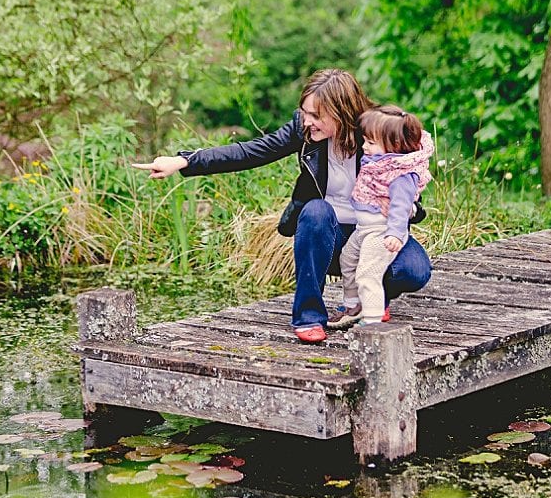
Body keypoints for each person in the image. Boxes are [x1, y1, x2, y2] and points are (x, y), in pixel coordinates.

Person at [132, 68, 432, 344]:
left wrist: (408, 208)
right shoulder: (303, 131)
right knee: (316, 211)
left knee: (414, 270)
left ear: (341, 112)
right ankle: (309, 316)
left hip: (374, 233)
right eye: (304, 113)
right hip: (324, 239)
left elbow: (408, 182)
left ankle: (370, 301)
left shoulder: (376, 133)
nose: (307, 122)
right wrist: (185, 160)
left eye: (315, 115)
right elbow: (250, 152)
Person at [327, 105, 433, 330]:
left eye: (370, 142)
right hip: (364, 230)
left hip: (382, 231)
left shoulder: (400, 173)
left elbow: (401, 207)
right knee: (347, 260)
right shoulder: (379, 162)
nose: (364, 146)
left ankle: (373, 319)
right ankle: (352, 303)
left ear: (394, 145)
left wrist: (395, 232)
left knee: (368, 272)